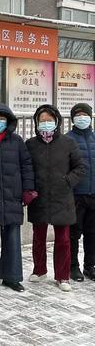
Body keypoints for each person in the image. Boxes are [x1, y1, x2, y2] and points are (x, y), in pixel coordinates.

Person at [26, 104, 86, 292]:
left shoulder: (68, 143)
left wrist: (67, 181)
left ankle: (63, 276)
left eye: (49, 120)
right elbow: (26, 169)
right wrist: (29, 188)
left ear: (57, 121)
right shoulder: (31, 144)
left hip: (62, 198)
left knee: (63, 240)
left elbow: (80, 168)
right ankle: (39, 270)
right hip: (39, 198)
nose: (46, 123)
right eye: (42, 120)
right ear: (36, 123)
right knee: (38, 237)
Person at [0, 103, 35, 292]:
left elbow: (27, 166)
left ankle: (12, 276)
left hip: (12, 195)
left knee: (12, 236)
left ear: (9, 121)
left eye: (2, 119)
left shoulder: (17, 142)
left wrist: (28, 190)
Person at [66, 103, 95, 282]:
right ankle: (73, 266)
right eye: (78, 115)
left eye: (85, 114)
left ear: (91, 117)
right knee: (73, 233)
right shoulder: (67, 140)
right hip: (75, 195)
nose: (82, 117)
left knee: (92, 233)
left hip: (94, 194)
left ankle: (90, 265)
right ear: (73, 118)